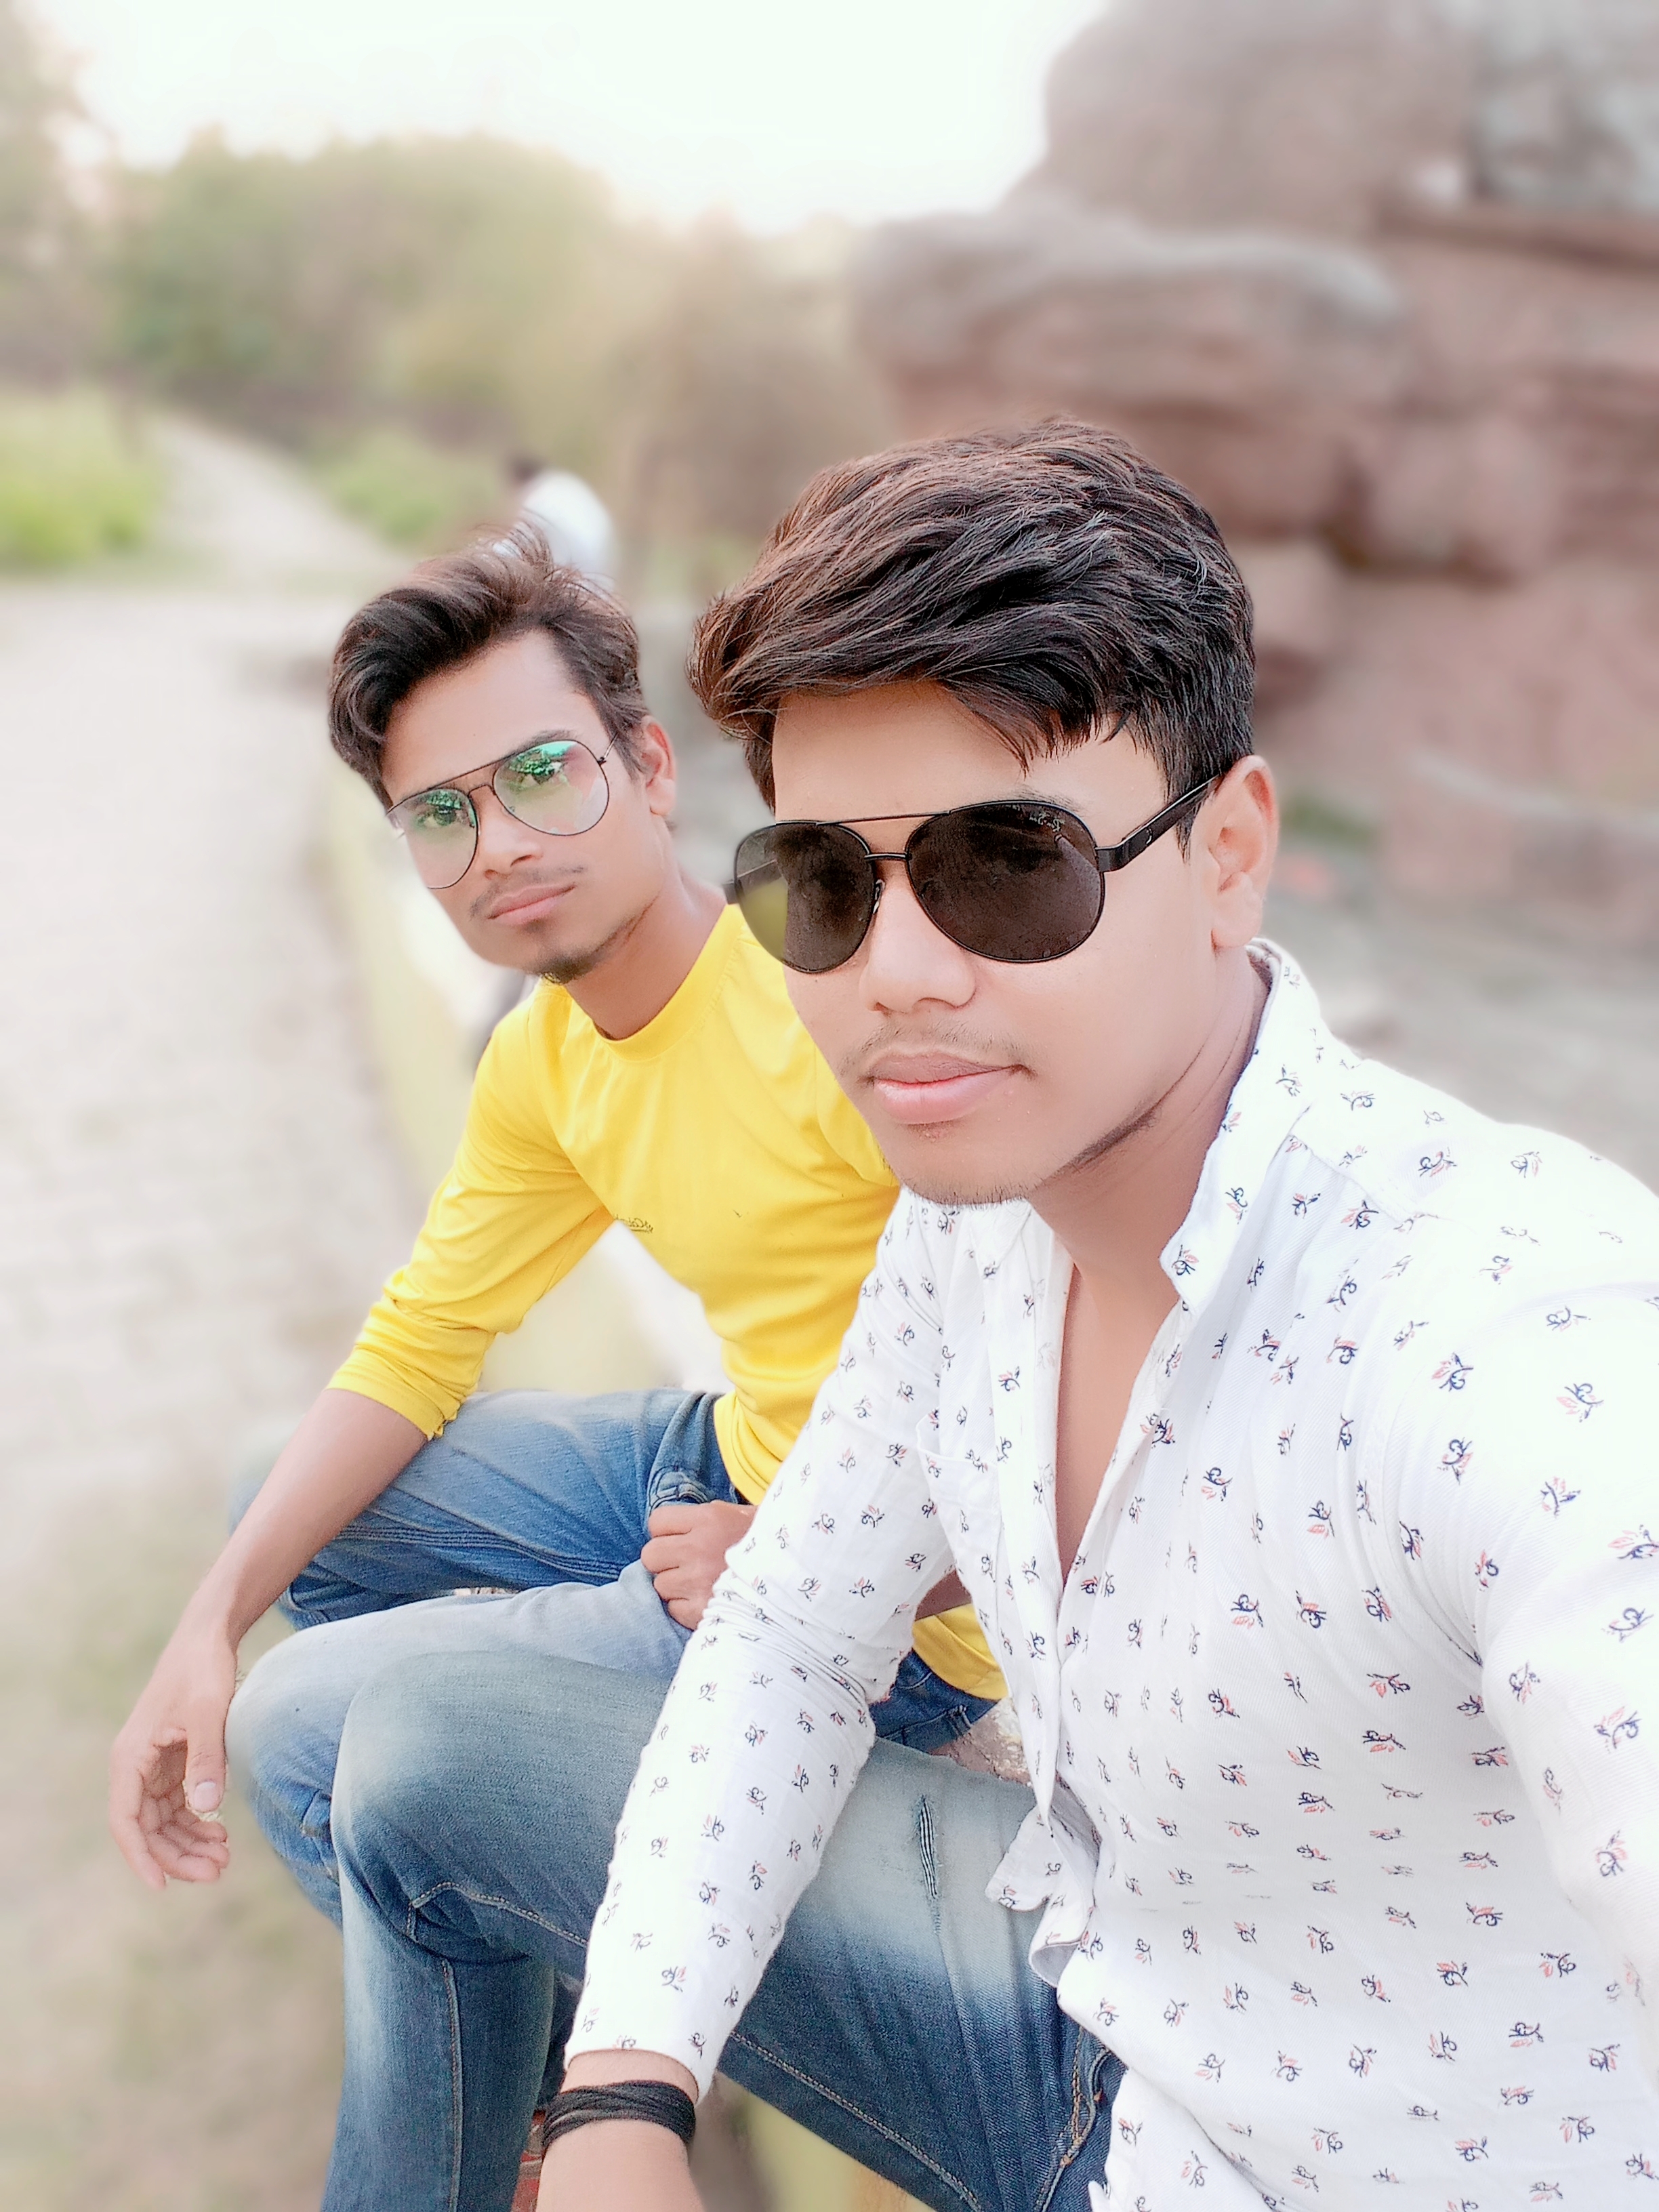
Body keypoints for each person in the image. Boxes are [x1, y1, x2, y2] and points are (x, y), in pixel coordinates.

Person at [320, 422, 1659, 2212]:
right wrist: (625, 2086)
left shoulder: (1502, 1330)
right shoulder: (976, 1227)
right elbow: (795, 1639)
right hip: (1084, 2002)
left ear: (1230, 853)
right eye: (823, 885)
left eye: (1008, 866)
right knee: (409, 1751)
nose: (898, 978)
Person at [106, 528, 1000, 1919]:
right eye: (441, 815)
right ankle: (518, 1872)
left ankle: (531, 1953)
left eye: (541, 775)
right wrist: (202, 1623)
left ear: (649, 769)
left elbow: (1063, 1366)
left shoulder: (822, 983)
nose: (504, 846)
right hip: (736, 1457)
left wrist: (801, 1553)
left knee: (299, 1736)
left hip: (907, 1613)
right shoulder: (544, 1056)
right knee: (278, 1512)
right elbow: (422, 1339)